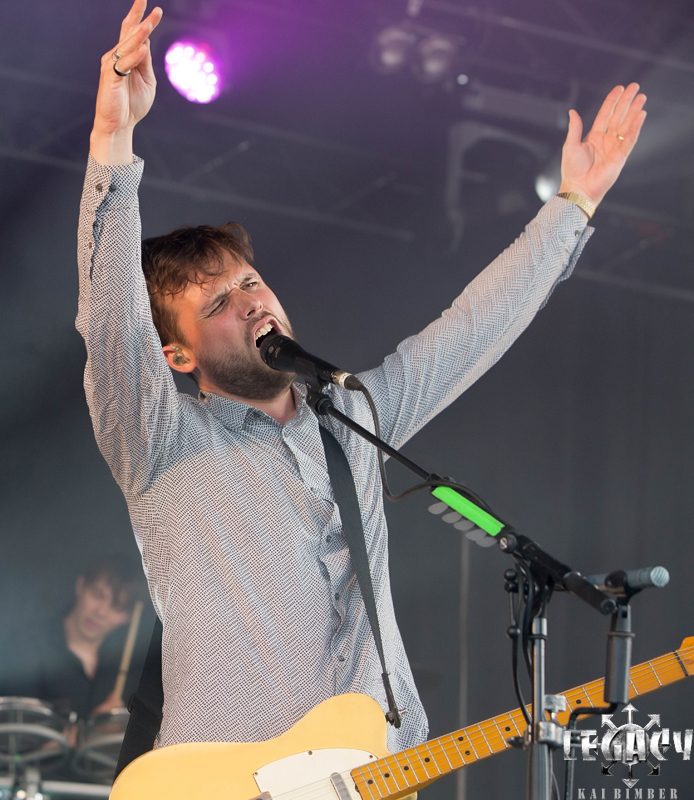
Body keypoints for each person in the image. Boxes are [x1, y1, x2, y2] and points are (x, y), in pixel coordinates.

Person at [76, 0, 646, 754]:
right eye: (217, 304)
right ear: (176, 355)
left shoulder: (353, 414)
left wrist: (574, 205)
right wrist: (112, 142)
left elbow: (471, 331)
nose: (250, 302)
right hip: (224, 776)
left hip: (367, 767)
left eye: (251, 282)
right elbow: (113, 324)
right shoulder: (158, 437)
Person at [1, 556, 142, 719]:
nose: (101, 612)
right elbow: (15, 728)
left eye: (117, 607)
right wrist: (92, 727)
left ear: (129, 617)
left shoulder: (129, 669)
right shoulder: (25, 648)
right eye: (97, 595)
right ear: (80, 586)